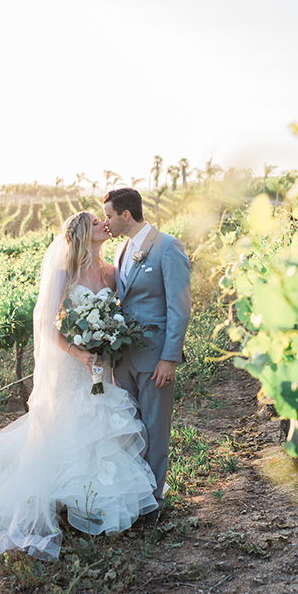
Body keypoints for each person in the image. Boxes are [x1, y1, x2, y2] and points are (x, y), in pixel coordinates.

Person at [0, 212, 158, 559]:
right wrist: (80, 352)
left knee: (100, 427)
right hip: (72, 364)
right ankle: (52, 503)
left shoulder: (110, 272)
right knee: (67, 428)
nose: (104, 224)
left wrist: (107, 342)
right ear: (82, 233)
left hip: (99, 365)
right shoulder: (65, 272)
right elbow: (49, 326)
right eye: (97, 222)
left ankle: (93, 504)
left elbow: (119, 315)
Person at [103, 188, 191, 526]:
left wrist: (169, 358)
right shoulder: (123, 249)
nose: (106, 222)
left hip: (155, 359)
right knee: (131, 430)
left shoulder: (168, 247)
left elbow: (179, 309)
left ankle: (153, 504)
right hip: (123, 359)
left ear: (126, 215)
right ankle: (135, 496)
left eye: (109, 215)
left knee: (155, 431)